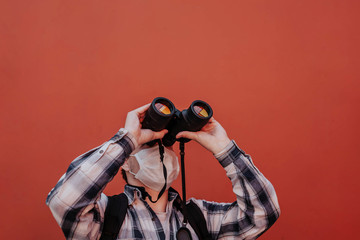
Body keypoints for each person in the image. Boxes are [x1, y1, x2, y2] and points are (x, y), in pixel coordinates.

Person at [46, 103, 280, 239]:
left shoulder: (200, 217)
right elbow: (65, 202)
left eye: (165, 144)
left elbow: (262, 214)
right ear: (125, 162)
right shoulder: (105, 217)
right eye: (149, 144)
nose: (161, 150)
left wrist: (225, 149)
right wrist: (128, 140)